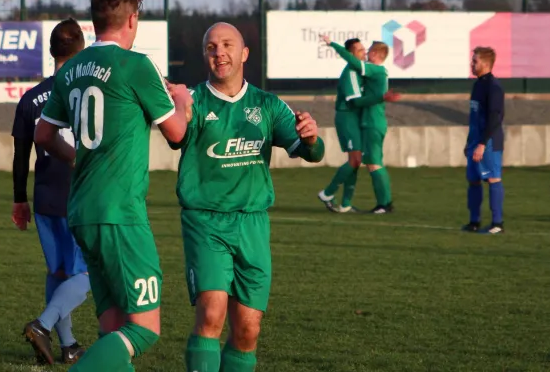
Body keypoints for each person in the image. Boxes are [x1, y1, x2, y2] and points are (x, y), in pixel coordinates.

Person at [34, 0, 192, 371]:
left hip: (82, 210)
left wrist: (76, 157)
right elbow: (177, 135)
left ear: (94, 20)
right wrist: (184, 101)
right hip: (120, 213)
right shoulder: (136, 65)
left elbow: (43, 133)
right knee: (145, 329)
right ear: (132, 18)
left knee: (113, 327)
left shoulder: (73, 68)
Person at [168, 22, 325, 372]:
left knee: (248, 330)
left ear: (244, 53)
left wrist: (312, 137)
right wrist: (178, 108)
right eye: (211, 47)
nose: (219, 52)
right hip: (205, 220)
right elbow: (175, 137)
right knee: (211, 313)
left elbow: (311, 152)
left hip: (253, 224)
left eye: (226, 45)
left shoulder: (267, 104)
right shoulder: (193, 101)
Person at [12, 18, 90, 366]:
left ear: (51, 51)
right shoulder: (87, 94)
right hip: (81, 195)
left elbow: (19, 156)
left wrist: (19, 200)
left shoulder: (30, 99)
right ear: (81, 51)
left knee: (57, 273)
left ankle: (67, 345)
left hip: (44, 196)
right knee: (89, 274)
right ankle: (43, 326)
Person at [321, 35, 399, 213]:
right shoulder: (352, 71)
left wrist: (381, 97)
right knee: (359, 161)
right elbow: (355, 101)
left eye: (367, 50)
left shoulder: (373, 70)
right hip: (350, 118)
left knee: (368, 162)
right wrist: (332, 44)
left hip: (370, 122)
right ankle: (341, 200)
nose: (365, 53)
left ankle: (381, 204)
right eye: (361, 50)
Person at [462, 46, 505, 234]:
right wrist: (469, 142)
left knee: (493, 178)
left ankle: (497, 223)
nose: (472, 64)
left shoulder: (493, 87)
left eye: (475, 61)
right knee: (473, 180)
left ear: (486, 64)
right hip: (475, 141)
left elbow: (495, 117)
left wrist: (481, 143)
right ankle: (474, 221)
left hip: (488, 142)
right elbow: (475, 117)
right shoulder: (477, 85)